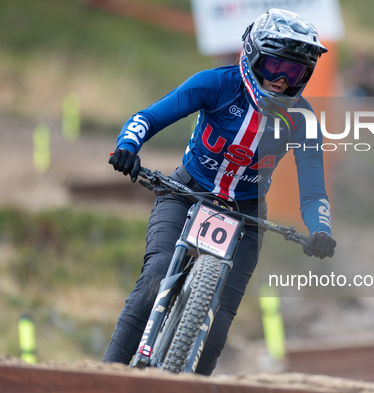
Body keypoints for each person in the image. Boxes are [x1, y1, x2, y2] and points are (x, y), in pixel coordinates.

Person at [104, 8, 337, 375]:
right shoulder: (215, 84)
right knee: (157, 276)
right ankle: (103, 376)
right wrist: (128, 147)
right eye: (275, 66)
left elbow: (313, 188)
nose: (280, 81)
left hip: (247, 215)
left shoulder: (303, 120)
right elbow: (148, 118)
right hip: (186, 191)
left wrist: (320, 230)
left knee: (219, 319)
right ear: (253, 56)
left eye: (294, 72)